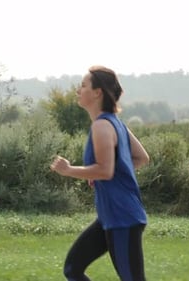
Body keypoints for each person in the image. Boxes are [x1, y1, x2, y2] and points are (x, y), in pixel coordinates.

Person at [50, 65, 150, 281]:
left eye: (83, 86)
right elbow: (141, 158)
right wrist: (102, 173)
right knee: (72, 268)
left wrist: (68, 170)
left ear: (97, 93)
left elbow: (105, 170)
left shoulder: (102, 127)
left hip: (122, 218)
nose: (78, 90)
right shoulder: (116, 124)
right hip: (110, 217)